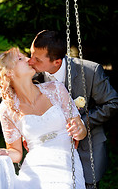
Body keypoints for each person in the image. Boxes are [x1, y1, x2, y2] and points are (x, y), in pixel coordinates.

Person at [0, 47, 87, 189]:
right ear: (9, 73)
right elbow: (16, 153)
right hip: (35, 167)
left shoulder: (56, 89)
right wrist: (5, 153)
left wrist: (78, 129)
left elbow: (81, 133)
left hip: (66, 163)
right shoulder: (7, 109)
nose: (29, 60)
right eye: (20, 59)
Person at [28, 30, 118, 189]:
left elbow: (111, 103)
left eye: (37, 59)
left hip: (87, 150)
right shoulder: (33, 78)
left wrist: (83, 123)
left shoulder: (90, 71)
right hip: (52, 156)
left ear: (56, 62)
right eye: (31, 54)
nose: (30, 61)